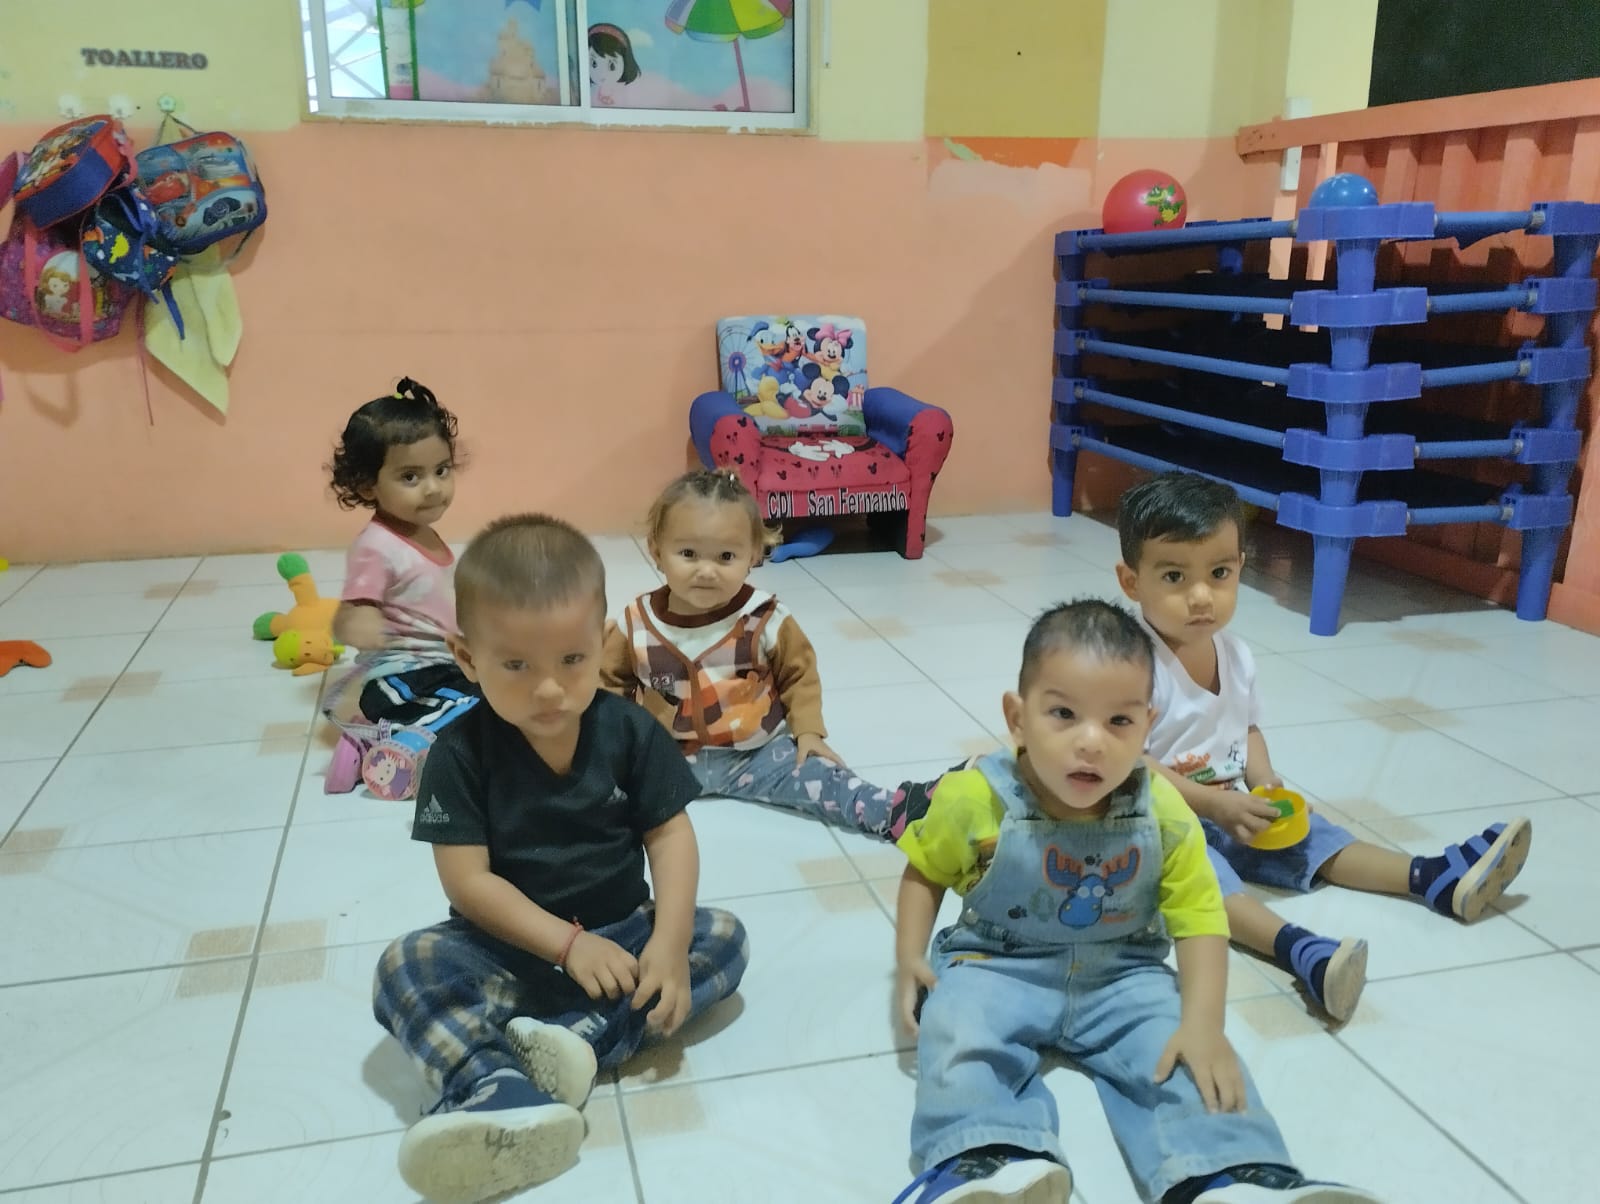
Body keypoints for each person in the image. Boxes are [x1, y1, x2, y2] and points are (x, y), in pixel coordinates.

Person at [891, 600, 1382, 1204]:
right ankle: (984, 1159)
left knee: (1187, 1054)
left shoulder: (1163, 809)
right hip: (996, 965)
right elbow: (925, 870)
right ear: (1017, 718)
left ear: (1147, 727)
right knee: (958, 1031)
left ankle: (1232, 1173)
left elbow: (1200, 915)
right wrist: (909, 957)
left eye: (1119, 721)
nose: (1091, 742)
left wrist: (1203, 1023)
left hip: (1125, 977)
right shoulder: (975, 797)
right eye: (1063, 714)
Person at [372, 514, 749, 1204]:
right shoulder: (458, 755)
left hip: (622, 940)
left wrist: (667, 944)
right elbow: (468, 882)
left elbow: (671, 837)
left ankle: (572, 1043)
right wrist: (567, 946)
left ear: (599, 643)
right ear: (467, 659)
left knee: (722, 936)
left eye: (572, 660)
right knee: (406, 964)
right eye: (516, 666)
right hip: (508, 947)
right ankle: (491, 1083)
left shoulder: (629, 731)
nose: (548, 689)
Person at [1116, 471, 1533, 1022]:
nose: (1200, 596)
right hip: (1154, 821)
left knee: (1315, 835)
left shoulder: (1235, 655)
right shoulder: (1127, 665)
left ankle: (1431, 876)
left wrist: (1265, 780)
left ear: (1241, 566)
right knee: (1202, 877)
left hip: (1229, 803)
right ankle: (1300, 950)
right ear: (1131, 582)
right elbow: (1130, 761)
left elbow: (1246, 729)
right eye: (1174, 576)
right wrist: (1211, 804)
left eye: (1219, 573)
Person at [602, 468, 936, 842]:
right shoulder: (635, 624)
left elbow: (799, 675)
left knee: (825, 778)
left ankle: (896, 812)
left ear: (754, 555)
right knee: (596, 793)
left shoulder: (765, 618)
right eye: (688, 554)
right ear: (656, 551)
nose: (706, 571)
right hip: (667, 760)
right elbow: (610, 685)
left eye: (726, 556)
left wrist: (808, 731)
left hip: (758, 756)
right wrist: (614, 746)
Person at [322, 378, 477, 800]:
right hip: (402, 678)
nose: (433, 487)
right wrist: (359, 622)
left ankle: (375, 740)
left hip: (440, 668)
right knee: (477, 706)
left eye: (441, 470)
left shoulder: (421, 532)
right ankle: (391, 748)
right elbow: (353, 611)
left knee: (502, 694)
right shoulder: (376, 547)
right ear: (367, 485)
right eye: (410, 476)